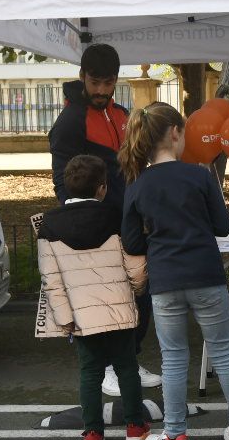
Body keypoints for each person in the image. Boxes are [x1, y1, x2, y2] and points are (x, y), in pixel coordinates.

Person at [119, 102, 229, 440]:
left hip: (165, 281)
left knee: (174, 359)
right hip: (207, 275)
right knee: (224, 352)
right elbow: (223, 226)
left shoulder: (137, 185)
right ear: (176, 133)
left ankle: (175, 437)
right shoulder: (200, 176)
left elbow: (131, 242)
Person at [47, 42, 160, 398]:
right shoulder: (69, 122)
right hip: (96, 228)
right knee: (106, 298)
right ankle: (110, 366)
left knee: (140, 294)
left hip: (128, 222)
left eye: (108, 82)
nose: (100, 90)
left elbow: (130, 163)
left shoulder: (122, 113)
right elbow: (62, 181)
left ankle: (128, 359)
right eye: (95, 82)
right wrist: (81, 224)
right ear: (82, 78)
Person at [36, 154, 148, 440]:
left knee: (89, 372)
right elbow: (135, 265)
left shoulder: (48, 224)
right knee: (127, 367)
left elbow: (51, 279)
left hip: (82, 317)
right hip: (119, 309)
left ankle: (93, 436)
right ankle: (136, 427)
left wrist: (64, 318)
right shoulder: (117, 217)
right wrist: (136, 291)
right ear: (102, 187)